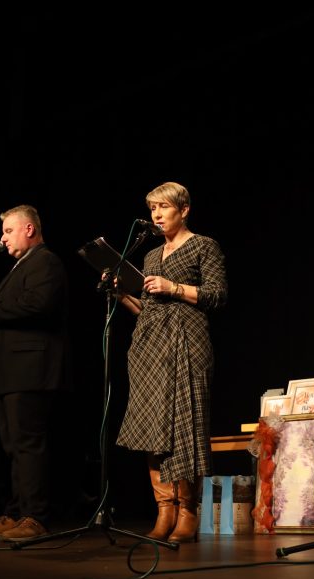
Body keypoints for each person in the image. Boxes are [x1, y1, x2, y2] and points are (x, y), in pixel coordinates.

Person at [115, 182, 227, 543]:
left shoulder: (204, 246)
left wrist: (173, 287)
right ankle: (164, 509)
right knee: (153, 425)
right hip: (150, 346)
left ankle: (187, 511)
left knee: (185, 425)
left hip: (187, 342)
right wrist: (121, 294)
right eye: (153, 209)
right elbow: (146, 308)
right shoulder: (150, 256)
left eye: (164, 207)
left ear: (184, 210)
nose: (157, 215)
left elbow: (217, 295)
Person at [0, 205, 70, 542]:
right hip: (10, 372)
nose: (3, 238)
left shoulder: (45, 261)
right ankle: (15, 513)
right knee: (12, 447)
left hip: (28, 370)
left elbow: (38, 304)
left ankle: (35, 517)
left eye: (8, 231)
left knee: (27, 445)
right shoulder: (23, 265)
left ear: (29, 229)